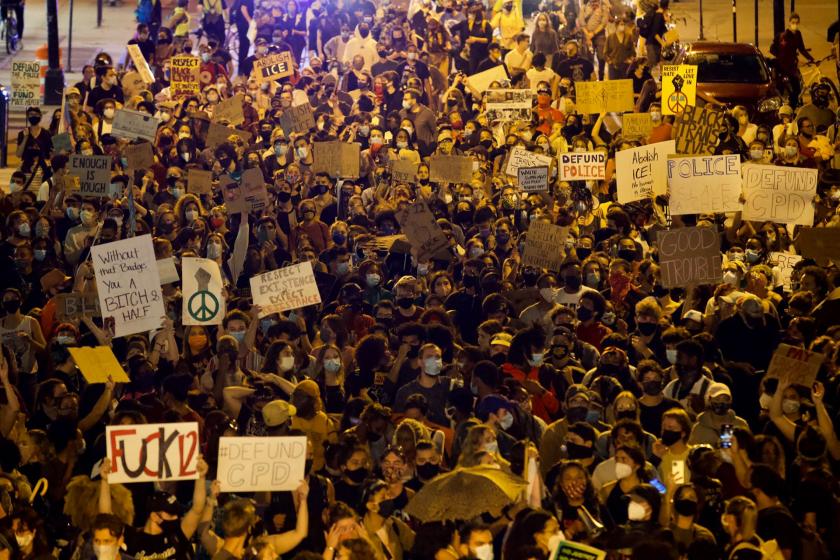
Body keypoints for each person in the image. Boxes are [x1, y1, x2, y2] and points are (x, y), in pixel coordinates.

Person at [771, 13, 815, 108]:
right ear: (789, 23)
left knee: (796, 88)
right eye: (793, 22)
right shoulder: (783, 36)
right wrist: (781, 57)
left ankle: (793, 107)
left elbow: (801, 49)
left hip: (792, 65)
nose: (795, 24)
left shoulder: (798, 34)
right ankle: (787, 107)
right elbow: (773, 49)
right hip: (784, 66)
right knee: (789, 88)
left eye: (796, 22)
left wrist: (811, 59)